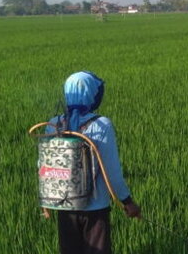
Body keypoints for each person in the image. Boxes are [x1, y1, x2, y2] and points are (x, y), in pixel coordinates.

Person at [45, 71, 140, 254]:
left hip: (64, 205)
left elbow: (47, 166)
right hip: (95, 207)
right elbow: (111, 172)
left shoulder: (54, 123)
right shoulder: (101, 124)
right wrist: (127, 202)